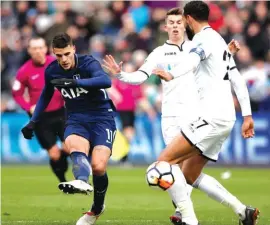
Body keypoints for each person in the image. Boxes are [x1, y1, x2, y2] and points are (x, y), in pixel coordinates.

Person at [103, 7, 245, 225]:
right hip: (171, 118)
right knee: (186, 173)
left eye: (180, 21)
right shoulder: (159, 53)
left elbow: (216, 64)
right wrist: (121, 74)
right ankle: (239, 209)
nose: (176, 25)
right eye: (172, 22)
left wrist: (227, 52)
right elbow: (141, 76)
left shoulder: (198, 45)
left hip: (198, 117)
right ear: (166, 26)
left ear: (186, 23)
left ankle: (186, 215)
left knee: (173, 167)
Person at [153, 2, 259, 225]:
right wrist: (247, 116)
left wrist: (172, 74)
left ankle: (189, 220)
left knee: (164, 161)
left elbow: (192, 61)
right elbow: (237, 80)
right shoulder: (219, 41)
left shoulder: (201, 40)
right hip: (226, 119)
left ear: (189, 19)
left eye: (183, 21)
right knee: (189, 174)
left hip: (210, 118)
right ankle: (243, 211)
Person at [21, 33, 116, 225]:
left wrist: (76, 82)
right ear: (54, 54)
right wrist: (33, 122)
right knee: (74, 146)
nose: (63, 59)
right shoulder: (52, 71)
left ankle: (97, 208)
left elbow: (105, 81)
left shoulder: (88, 63)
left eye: (66, 54)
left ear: (73, 49)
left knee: (98, 166)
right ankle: (81, 180)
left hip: (102, 118)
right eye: (58, 55)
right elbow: (45, 97)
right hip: (75, 119)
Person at [12, 37, 69, 183]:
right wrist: (27, 107)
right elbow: (17, 93)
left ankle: (67, 168)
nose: (38, 51)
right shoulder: (24, 71)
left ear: (46, 49)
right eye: (34, 48)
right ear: (29, 51)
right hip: (41, 118)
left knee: (69, 147)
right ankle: (61, 179)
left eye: (40, 47)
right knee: (54, 154)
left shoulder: (57, 63)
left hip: (61, 112)